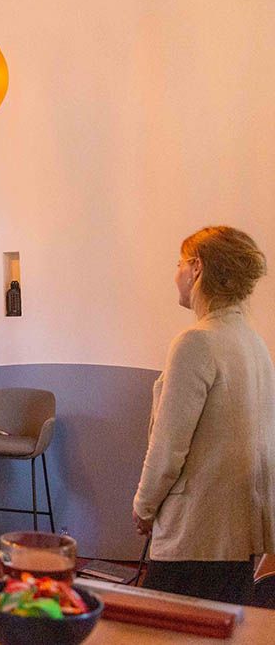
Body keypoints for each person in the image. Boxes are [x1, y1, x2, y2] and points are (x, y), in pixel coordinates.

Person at [133, 226, 275, 605]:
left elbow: (168, 447)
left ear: (197, 268)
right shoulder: (253, 342)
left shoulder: (196, 342)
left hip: (196, 532)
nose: (176, 273)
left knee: (162, 627)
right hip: (239, 531)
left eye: (179, 263)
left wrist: (144, 506)